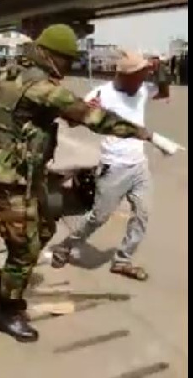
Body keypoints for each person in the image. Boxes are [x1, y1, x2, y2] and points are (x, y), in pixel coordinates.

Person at [0, 25, 163, 343]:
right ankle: (7, 310)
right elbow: (94, 118)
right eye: (67, 60)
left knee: (45, 225)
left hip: (26, 176)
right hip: (9, 181)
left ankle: (3, 283)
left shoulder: (7, 74)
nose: (68, 68)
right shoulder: (42, 88)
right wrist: (142, 133)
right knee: (24, 248)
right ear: (53, 56)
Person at [51, 50, 170, 281]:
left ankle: (122, 260)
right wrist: (86, 111)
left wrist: (160, 69)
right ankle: (65, 246)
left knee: (143, 214)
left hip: (139, 165)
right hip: (114, 167)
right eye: (139, 77)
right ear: (125, 76)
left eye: (144, 76)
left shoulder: (143, 90)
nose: (141, 83)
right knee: (98, 217)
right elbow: (70, 120)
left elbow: (164, 91)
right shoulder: (101, 93)